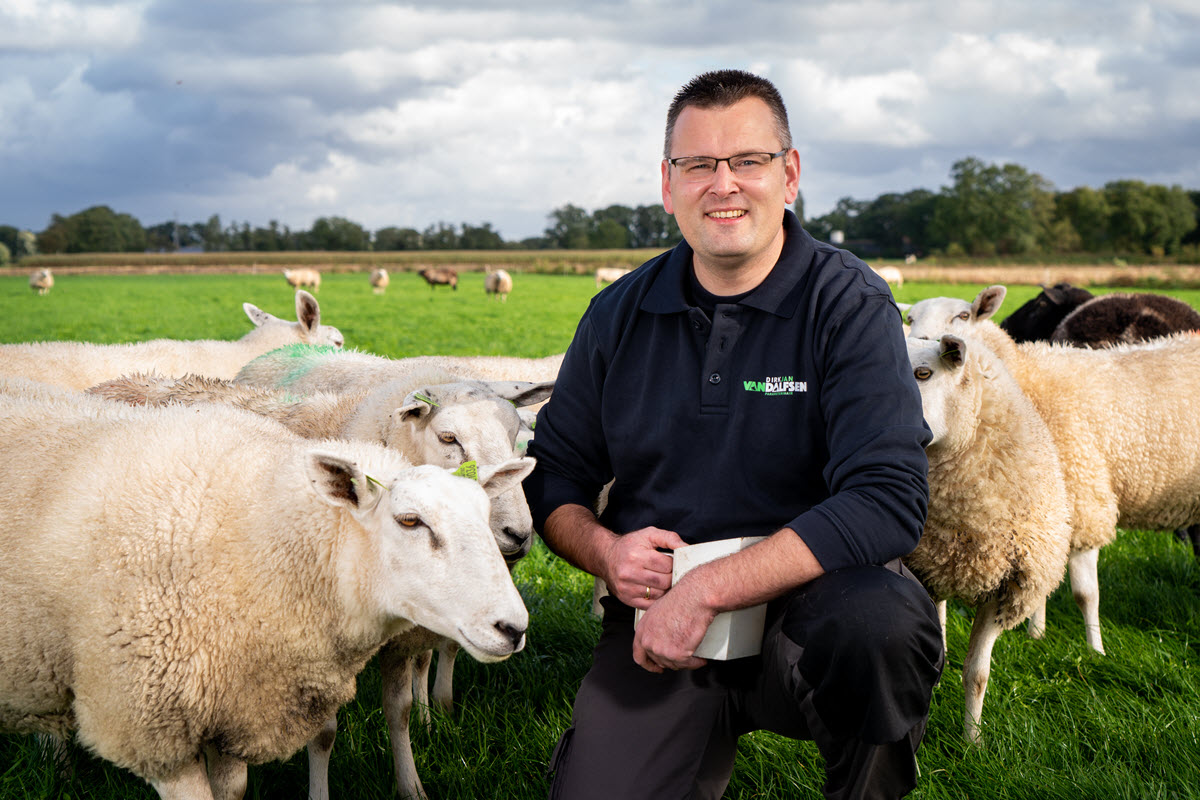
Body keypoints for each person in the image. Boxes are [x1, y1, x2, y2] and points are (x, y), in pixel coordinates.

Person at [523, 69, 944, 800]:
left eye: (748, 160)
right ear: (668, 183)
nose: (724, 184)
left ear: (790, 175)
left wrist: (713, 588)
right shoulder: (618, 315)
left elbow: (889, 497)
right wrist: (606, 551)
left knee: (878, 626)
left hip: (813, 611)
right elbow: (553, 477)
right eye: (698, 165)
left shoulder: (848, 304)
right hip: (662, 627)